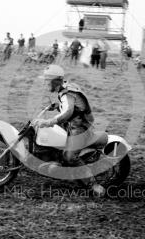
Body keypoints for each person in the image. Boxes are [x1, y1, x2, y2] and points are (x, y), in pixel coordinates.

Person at [32, 65, 108, 195]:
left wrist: (48, 122)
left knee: (70, 157)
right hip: (72, 124)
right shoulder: (65, 89)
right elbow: (70, 107)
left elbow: (68, 112)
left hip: (79, 128)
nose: (45, 83)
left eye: (47, 80)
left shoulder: (67, 93)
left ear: (55, 80)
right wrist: (57, 106)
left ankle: (93, 185)